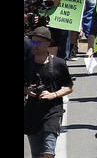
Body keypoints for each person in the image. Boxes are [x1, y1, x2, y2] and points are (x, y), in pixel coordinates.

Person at [24, 27, 75, 158]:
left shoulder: (59, 63)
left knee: (48, 152)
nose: (35, 45)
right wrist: (27, 90)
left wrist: (54, 94)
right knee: (36, 154)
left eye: (38, 42)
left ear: (48, 44)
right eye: (33, 42)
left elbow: (69, 86)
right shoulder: (27, 63)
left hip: (52, 113)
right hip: (32, 113)